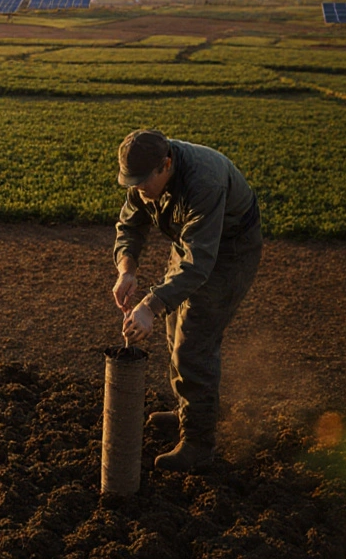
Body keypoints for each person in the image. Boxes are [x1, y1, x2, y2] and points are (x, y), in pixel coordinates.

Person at [110, 128, 262, 472]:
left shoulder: (203, 182)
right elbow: (130, 226)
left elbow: (199, 265)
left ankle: (198, 442)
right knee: (173, 324)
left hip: (228, 250)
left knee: (193, 342)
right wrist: (127, 271)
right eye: (130, 183)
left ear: (166, 165)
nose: (137, 190)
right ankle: (186, 411)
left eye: (142, 182)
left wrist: (148, 304)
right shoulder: (144, 176)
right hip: (191, 243)